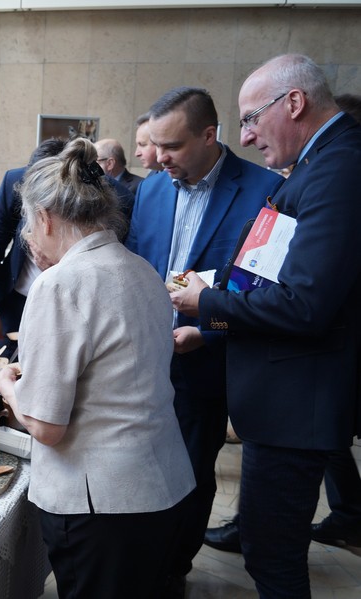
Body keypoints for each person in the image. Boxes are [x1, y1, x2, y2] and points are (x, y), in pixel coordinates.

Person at [170, 54, 361, 597]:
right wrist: (213, 318)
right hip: (281, 405)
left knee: (273, 557)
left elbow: (305, 306)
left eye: (252, 119)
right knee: (265, 549)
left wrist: (208, 303)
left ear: (294, 103)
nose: (248, 138)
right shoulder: (319, 162)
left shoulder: (340, 166)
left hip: (295, 408)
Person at [0, 138, 195, 599]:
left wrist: (5, 385)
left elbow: (45, 425)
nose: (27, 236)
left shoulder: (59, 283)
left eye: (27, 222)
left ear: (44, 217)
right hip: (163, 484)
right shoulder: (141, 268)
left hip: (102, 503)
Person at [125, 86, 283, 597]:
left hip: (205, 364)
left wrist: (207, 332)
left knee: (191, 473)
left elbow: (265, 288)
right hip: (142, 360)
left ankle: (174, 569)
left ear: (209, 135)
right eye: (155, 146)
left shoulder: (264, 190)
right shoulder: (152, 189)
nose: (159, 158)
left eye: (171, 146)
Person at [0, 137, 135, 356]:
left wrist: (61, 266)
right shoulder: (15, 180)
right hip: (16, 304)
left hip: (77, 311)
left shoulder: (116, 196)